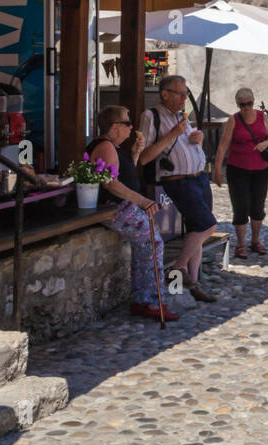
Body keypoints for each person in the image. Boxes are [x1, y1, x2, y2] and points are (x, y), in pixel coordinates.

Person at [87, 105, 179, 321]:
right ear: (115, 127)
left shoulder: (114, 147)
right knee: (153, 242)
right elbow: (111, 184)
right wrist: (142, 200)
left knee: (148, 243)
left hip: (120, 205)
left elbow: (123, 176)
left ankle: (144, 299)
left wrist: (135, 155)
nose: (131, 128)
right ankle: (151, 302)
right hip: (113, 206)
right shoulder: (106, 146)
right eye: (128, 123)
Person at [137, 75, 219, 303]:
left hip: (198, 178)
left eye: (186, 94)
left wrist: (198, 140)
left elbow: (185, 147)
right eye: (181, 94)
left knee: (196, 229)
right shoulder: (151, 116)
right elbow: (144, 157)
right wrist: (173, 133)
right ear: (165, 94)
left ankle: (193, 282)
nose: (185, 98)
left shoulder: (181, 116)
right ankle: (179, 269)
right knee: (207, 225)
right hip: (177, 180)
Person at [213, 87, 268, 260]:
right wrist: (217, 169)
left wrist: (265, 144)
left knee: (258, 206)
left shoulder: (262, 117)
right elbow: (223, 145)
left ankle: (255, 241)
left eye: (249, 104)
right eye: (242, 105)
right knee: (240, 206)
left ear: (253, 102)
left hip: (260, 169)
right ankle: (241, 244)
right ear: (238, 105)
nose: (246, 108)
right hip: (238, 169)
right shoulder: (234, 120)